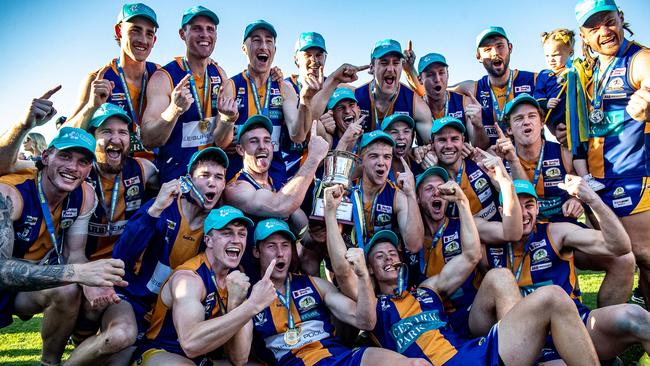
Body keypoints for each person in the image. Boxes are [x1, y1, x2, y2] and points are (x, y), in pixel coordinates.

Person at [485, 178, 650, 362]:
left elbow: (620, 246)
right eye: (515, 205)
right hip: (527, 340)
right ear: (502, 211)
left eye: (529, 205)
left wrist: (592, 200)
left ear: (538, 208)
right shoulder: (490, 245)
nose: (523, 213)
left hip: (575, 325)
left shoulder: (556, 232)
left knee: (638, 318)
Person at [250, 218, 427, 366]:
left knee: (416, 364)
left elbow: (364, 321)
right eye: (271, 246)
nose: (280, 253)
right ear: (257, 251)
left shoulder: (315, 284)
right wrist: (248, 305)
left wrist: (363, 276)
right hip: (297, 362)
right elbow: (239, 358)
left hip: (340, 358)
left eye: (285, 245)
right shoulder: (248, 298)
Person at [63, 103, 159, 366]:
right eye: (106, 132)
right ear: (92, 137)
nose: (116, 139)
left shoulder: (143, 170)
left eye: (123, 132)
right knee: (69, 295)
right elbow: (74, 254)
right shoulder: (75, 175)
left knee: (121, 341)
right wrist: (89, 280)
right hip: (81, 269)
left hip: (122, 276)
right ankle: (52, 357)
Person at [0, 122, 99, 365]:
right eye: (65, 156)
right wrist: (78, 272)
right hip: (4, 275)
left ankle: (50, 363)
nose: (72, 167)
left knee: (68, 288)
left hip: (27, 284)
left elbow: (75, 253)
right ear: (45, 156)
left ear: (89, 169)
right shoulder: (10, 193)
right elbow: (1, 271)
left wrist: (94, 281)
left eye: (82, 161)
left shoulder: (85, 195)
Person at [574, 0, 650, 309]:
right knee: (626, 258)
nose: (604, 31)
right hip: (598, 183)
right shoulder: (588, 70)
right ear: (584, 35)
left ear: (621, 19)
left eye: (609, 21)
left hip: (634, 179)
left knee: (644, 256)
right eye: (594, 26)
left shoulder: (638, 57)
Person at [132, 206, 277, 365]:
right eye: (227, 233)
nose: (236, 240)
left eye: (241, 234)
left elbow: (239, 358)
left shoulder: (236, 282)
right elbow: (190, 344)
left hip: (200, 360)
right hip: (160, 352)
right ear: (208, 240)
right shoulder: (189, 278)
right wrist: (252, 305)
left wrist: (235, 305)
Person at [112, 146, 229, 334]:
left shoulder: (219, 226)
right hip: (134, 300)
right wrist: (155, 210)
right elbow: (121, 255)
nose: (212, 183)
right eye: (204, 175)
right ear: (188, 181)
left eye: (218, 177)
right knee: (118, 338)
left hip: (173, 313)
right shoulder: (164, 206)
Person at [141, 5, 236, 183]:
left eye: (210, 29)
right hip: (176, 182)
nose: (205, 35)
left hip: (212, 183)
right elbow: (147, 139)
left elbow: (222, 141)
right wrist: (174, 110)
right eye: (197, 29)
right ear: (182, 34)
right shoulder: (164, 77)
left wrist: (227, 120)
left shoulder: (220, 74)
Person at [223, 116, 328, 275]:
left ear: (272, 147)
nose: (262, 146)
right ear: (240, 150)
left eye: (267, 141)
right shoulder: (236, 187)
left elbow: (306, 237)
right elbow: (280, 206)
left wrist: (325, 232)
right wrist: (313, 157)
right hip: (250, 280)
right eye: (254, 141)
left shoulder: (277, 186)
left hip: (282, 278)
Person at [220, 20, 315, 182]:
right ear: (244, 48)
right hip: (238, 175)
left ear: (274, 50)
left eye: (268, 41)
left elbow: (297, 136)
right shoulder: (232, 86)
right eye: (256, 40)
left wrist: (306, 99)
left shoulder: (283, 88)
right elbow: (220, 141)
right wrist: (227, 121)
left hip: (274, 174)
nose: (263, 46)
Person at [67, 3, 160, 159]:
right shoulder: (97, 79)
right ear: (119, 31)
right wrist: (91, 106)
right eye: (135, 31)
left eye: (149, 33)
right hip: (113, 171)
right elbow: (67, 134)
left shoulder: (161, 75)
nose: (143, 40)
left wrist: (205, 62)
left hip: (155, 171)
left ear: (154, 39)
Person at [349, 131, 423, 251]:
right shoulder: (348, 189)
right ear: (361, 159)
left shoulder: (397, 196)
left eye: (387, 157)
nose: (381, 163)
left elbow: (414, 245)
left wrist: (411, 195)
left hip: (381, 262)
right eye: (374, 156)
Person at [408, 52, 489, 149]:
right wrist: (415, 151)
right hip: (430, 163)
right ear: (420, 79)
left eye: (441, 73)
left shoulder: (464, 103)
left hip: (461, 162)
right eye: (430, 75)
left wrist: (478, 126)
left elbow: (481, 147)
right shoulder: (415, 107)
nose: (437, 79)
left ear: (448, 74)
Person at [429, 117, 500, 220]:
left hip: (498, 231)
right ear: (432, 144)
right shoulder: (430, 180)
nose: (449, 145)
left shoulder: (480, 163)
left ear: (463, 140)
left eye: (454, 139)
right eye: (442, 140)